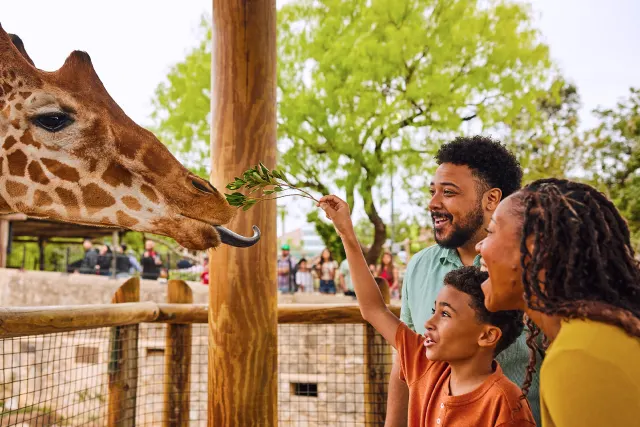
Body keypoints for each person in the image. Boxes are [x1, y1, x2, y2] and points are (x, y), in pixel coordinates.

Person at [319, 195, 535, 426]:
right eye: (435, 310)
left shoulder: (506, 407)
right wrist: (346, 234)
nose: (428, 323)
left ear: (487, 335)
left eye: (445, 314)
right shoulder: (425, 365)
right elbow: (373, 309)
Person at [391, 136, 540, 426]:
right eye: (433, 191)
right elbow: (405, 360)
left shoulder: (532, 270)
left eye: (448, 192)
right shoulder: (419, 266)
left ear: (491, 199)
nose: (433, 203)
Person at [477, 178, 640, 427]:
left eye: (490, 231)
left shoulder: (580, 359)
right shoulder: (590, 339)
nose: (479, 246)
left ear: (534, 248)